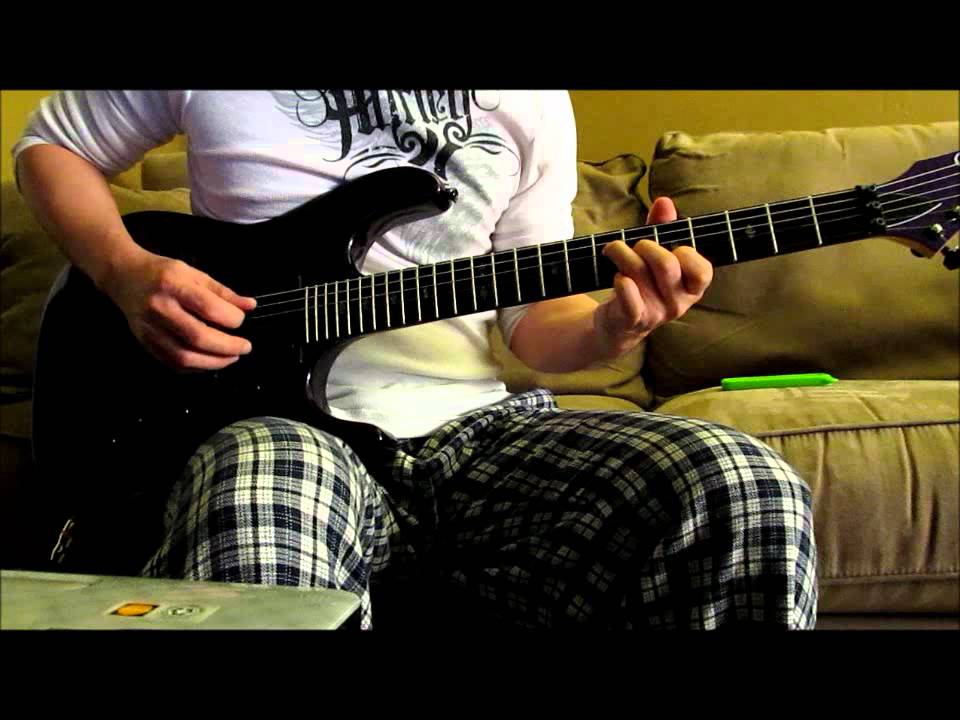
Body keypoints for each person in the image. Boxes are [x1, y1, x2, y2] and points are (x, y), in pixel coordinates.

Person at [13, 90, 817, 629]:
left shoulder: (530, 98)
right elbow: (51, 145)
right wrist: (123, 271)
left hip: (471, 435)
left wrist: (613, 325)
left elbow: (536, 322)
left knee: (736, 480)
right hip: (272, 428)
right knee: (267, 476)